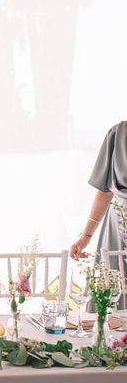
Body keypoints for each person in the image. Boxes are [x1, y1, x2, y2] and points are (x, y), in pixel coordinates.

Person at [70, 121, 127, 308]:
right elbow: (105, 191)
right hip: (116, 232)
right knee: (110, 305)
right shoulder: (118, 133)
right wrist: (86, 235)